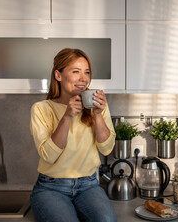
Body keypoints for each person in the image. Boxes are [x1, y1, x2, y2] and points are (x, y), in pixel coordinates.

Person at [29, 48, 117, 222]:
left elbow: (106, 149)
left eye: (87, 72)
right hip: (51, 188)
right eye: (75, 71)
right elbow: (49, 155)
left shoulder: (98, 107)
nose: (83, 78)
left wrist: (98, 115)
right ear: (58, 75)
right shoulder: (41, 109)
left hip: (89, 185)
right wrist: (67, 116)